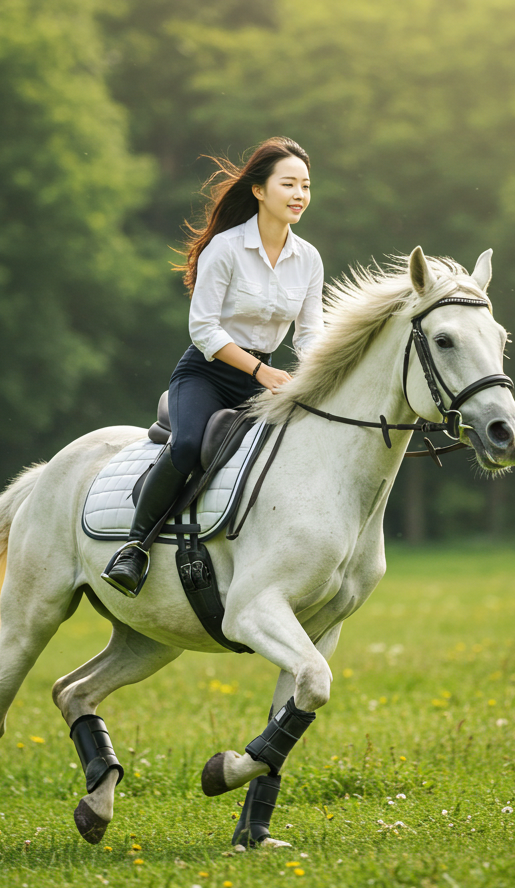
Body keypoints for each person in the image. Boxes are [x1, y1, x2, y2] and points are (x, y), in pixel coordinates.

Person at [102, 136, 325, 598]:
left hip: (268, 380)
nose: (300, 194)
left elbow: (309, 335)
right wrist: (261, 373)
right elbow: (203, 330)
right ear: (260, 191)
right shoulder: (224, 249)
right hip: (206, 373)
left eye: (305, 185)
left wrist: (317, 376)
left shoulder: (309, 259)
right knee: (186, 446)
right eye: (289, 184)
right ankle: (134, 548)